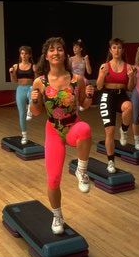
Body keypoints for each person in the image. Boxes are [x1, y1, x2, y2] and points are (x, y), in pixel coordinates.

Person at [30, 37, 95, 234]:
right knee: (53, 179)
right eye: (51, 50)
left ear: (64, 54)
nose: (55, 52)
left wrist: (90, 95)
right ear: (46, 56)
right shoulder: (39, 82)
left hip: (72, 126)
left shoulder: (77, 80)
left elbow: (84, 105)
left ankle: (81, 170)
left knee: (85, 129)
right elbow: (36, 112)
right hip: (53, 131)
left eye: (59, 49)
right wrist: (34, 100)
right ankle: (57, 216)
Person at [96, 38, 136, 173]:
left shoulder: (128, 66)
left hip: (121, 95)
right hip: (107, 96)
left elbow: (130, 88)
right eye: (114, 47)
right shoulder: (105, 65)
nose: (117, 50)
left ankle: (124, 130)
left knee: (129, 107)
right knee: (110, 132)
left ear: (122, 50)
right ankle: (111, 161)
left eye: (119, 47)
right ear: (110, 50)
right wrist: (102, 74)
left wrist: (131, 77)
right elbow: (99, 86)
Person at [9, 46, 37, 144]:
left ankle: (30, 109)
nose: (23, 55)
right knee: (21, 114)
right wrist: (11, 73)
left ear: (29, 55)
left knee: (32, 90)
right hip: (20, 89)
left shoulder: (33, 66)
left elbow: (37, 81)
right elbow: (14, 81)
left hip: (30, 87)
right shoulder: (16, 66)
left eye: (25, 53)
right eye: (22, 53)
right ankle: (24, 136)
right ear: (20, 55)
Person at [69, 39, 92, 111]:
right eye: (73, 47)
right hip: (73, 79)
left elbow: (89, 72)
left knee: (84, 84)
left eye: (76, 47)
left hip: (82, 79)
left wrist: (87, 61)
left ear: (81, 49)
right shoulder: (71, 59)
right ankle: (73, 104)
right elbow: (68, 71)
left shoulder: (84, 59)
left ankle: (81, 103)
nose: (74, 49)